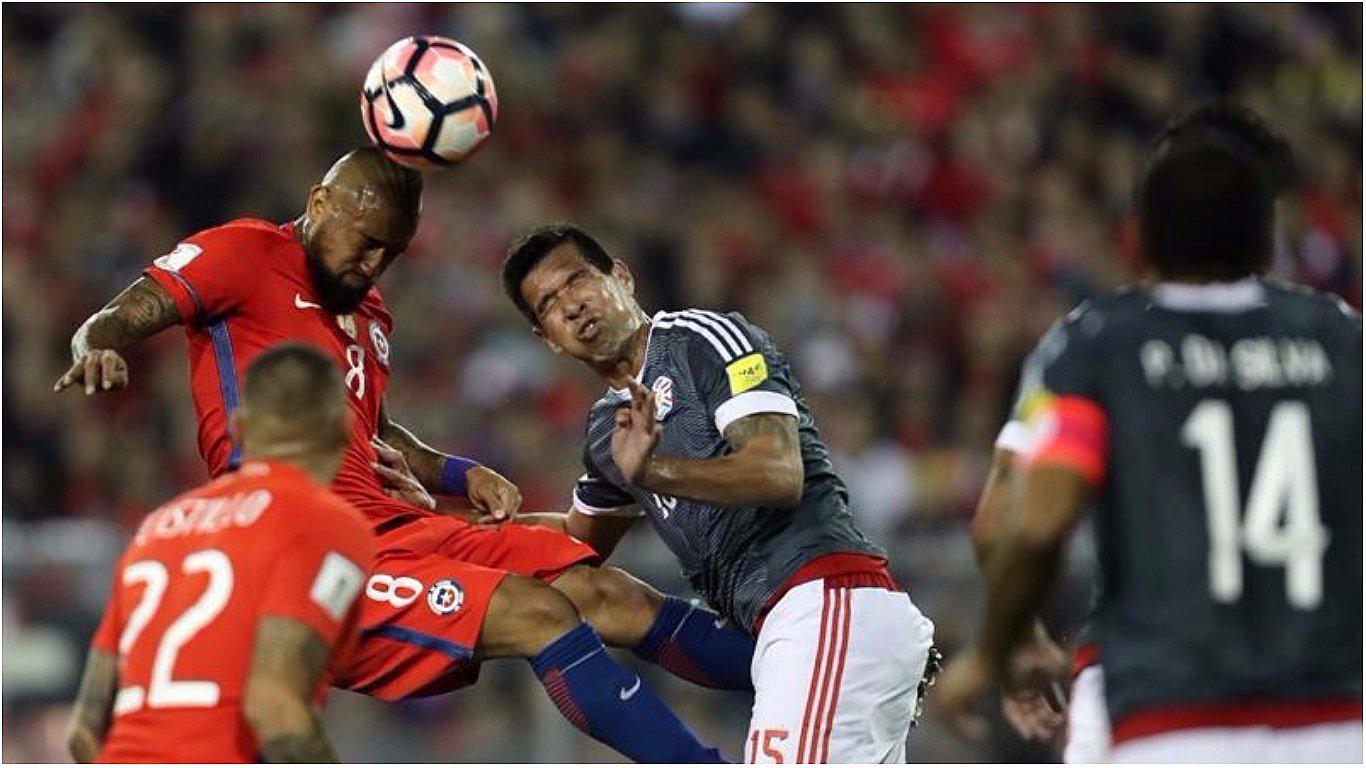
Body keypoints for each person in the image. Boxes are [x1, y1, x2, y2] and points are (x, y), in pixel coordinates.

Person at [56, 147, 743, 762]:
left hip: (389, 522)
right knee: (540, 615)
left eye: (391, 252)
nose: (373, 265)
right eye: (365, 244)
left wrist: (456, 471)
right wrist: (100, 346)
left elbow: (375, 430)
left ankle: (806, 673)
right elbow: (119, 313)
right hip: (310, 540)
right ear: (320, 204)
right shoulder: (244, 253)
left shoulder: (371, 313)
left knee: (607, 593)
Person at [937, 103, 1362, 762]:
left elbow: (1020, 518)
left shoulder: (1093, 344)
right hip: (1336, 708)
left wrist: (1004, 644)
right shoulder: (1339, 335)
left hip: (1161, 707)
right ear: (1265, 238)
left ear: (1138, 239)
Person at [500, 223, 938, 764]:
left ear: (622, 277)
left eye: (578, 280)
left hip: (825, 601)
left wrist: (656, 472)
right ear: (546, 336)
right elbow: (574, 543)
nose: (571, 305)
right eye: (548, 303)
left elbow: (778, 473)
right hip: (795, 629)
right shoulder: (604, 432)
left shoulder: (700, 341)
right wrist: (439, 526)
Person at [68, 343, 374, 762]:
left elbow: (86, 730)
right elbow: (273, 705)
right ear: (344, 426)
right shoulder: (325, 522)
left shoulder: (156, 528)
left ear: (240, 428)